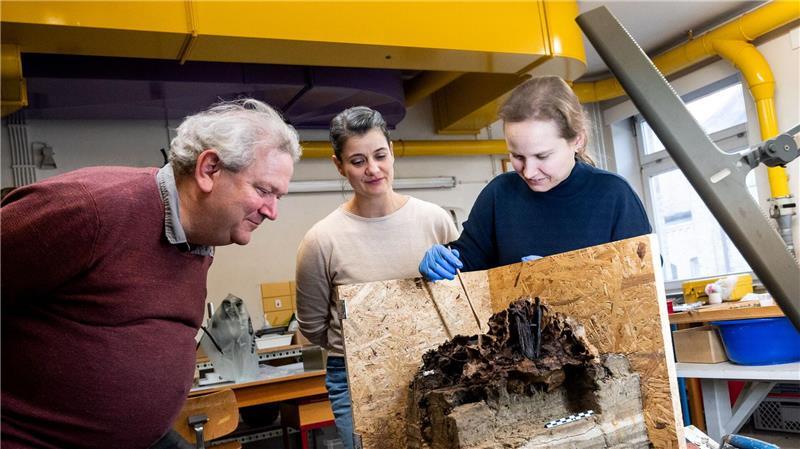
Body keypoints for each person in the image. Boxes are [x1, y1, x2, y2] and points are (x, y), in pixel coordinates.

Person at [1, 99, 301, 449]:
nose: (272, 211)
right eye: (264, 190)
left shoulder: (200, 239)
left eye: (278, 196)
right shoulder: (93, 208)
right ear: (209, 169)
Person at [295, 106, 458, 449]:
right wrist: (366, 345)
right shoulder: (321, 240)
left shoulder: (435, 220)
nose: (373, 169)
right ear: (338, 165)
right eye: (357, 161)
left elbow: (459, 296)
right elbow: (312, 327)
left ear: (392, 152)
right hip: (356, 379)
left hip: (438, 369)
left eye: (380, 155)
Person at [419, 76, 652, 280]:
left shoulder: (613, 194)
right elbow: (469, 262)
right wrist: (445, 261)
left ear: (577, 140)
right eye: (517, 156)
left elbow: (644, 277)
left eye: (542, 156)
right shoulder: (499, 194)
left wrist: (572, 277)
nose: (528, 172)